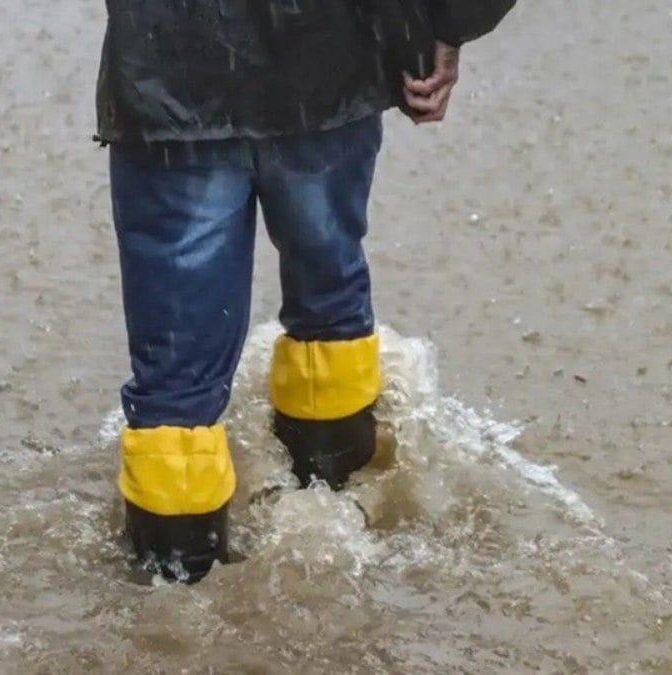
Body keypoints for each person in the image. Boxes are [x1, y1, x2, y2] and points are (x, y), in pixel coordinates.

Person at [94, 0, 518, 583]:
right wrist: (445, 25)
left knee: (176, 383)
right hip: (328, 61)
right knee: (330, 308)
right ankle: (339, 523)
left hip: (169, 72)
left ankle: (170, 599)